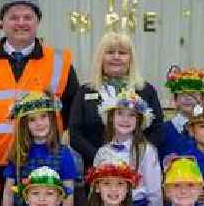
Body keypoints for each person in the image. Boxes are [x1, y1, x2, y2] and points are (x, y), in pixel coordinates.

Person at [0, 0, 79, 167]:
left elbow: (71, 111)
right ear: (2, 22)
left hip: (42, 162)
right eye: (13, 17)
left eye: (27, 17)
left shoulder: (59, 62)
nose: (21, 23)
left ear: (37, 21)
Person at [69, 32, 164, 169]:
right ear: (100, 58)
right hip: (97, 169)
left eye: (123, 53)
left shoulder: (145, 90)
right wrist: (100, 158)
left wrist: (139, 155)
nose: (116, 57)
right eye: (110, 52)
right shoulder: (86, 91)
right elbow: (75, 134)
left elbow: (157, 129)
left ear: (131, 59)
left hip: (138, 167)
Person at [2, 91, 76, 206]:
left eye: (43, 117)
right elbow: (8, 194)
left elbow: (69, 194)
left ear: (52, 119)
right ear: (25, 124)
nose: (39, 123)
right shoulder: (19, 154)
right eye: (32, 119)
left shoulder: (63, 154)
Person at [93, 89, 163, 206]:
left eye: (132, 115)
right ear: (111, 118)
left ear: (139, 121)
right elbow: (96, 187)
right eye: (120, 114)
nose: (125, 119)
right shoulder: (102, 152)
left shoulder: (146, 151)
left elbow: (154, 193)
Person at [158, 66, 204, 161]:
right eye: (182, 94)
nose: (187, 98)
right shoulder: (164, 130)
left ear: (202, 99)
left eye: (193, 94)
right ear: (175, 100)